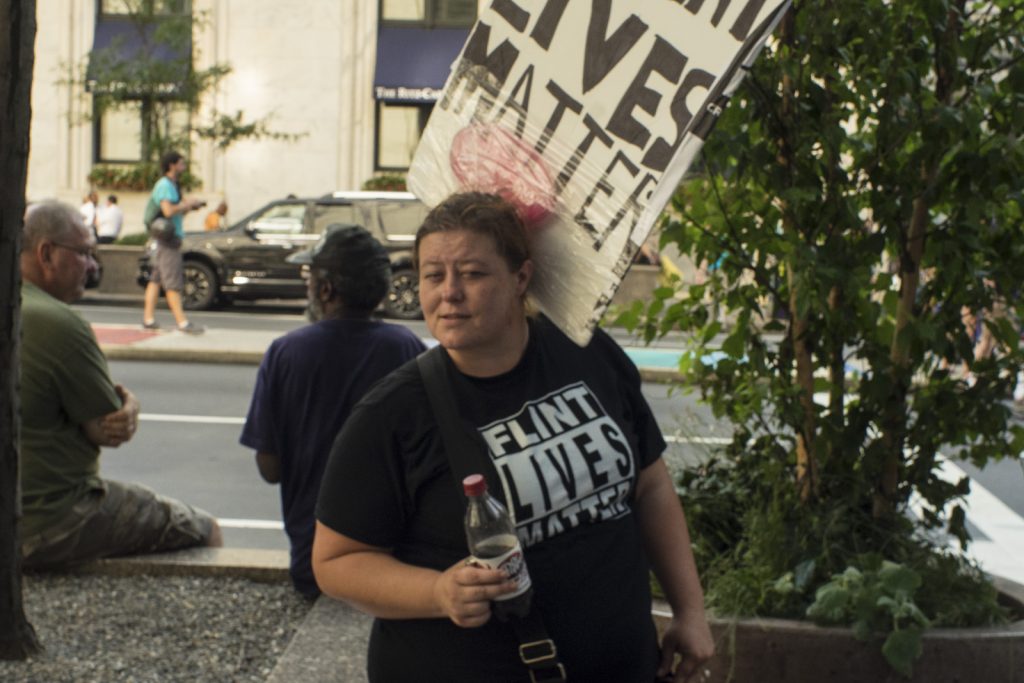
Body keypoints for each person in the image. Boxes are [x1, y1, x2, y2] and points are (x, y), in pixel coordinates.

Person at [312, 192, 714, 682]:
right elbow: (335, 561)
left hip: (627, 664)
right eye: (433, 275)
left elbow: (649, 485)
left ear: (521, 277)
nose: (449, 293)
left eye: (473, 273)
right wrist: (438, 592)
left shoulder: (585, 352)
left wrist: (689, 611)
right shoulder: (391, 414)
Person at [19, 201, 222, 569]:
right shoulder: (60, 324)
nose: (94, 266)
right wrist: (130, 406)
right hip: (46, 518)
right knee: (205, 529)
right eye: (84, 253)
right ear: (46, 253)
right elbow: (107, 430)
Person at [240, 225, 426, 598]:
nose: (307, 286)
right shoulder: (407, 347)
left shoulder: (286, 352)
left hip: (314, 565)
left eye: (310, 278)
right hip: (398, 563)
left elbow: (269, 467)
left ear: (326, 290)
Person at [141, 150, 206, 334]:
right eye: (181, 163)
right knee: (172, 280)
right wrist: (187, 205)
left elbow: (175, 211)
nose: (184, 167)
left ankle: (148, 319)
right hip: (167, 240)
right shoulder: (164, 185)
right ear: (172, 165)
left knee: (156, 279)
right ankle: (182, 322)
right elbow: (168, 211)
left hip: (166, 238)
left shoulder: (174, 184)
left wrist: (190, 206)